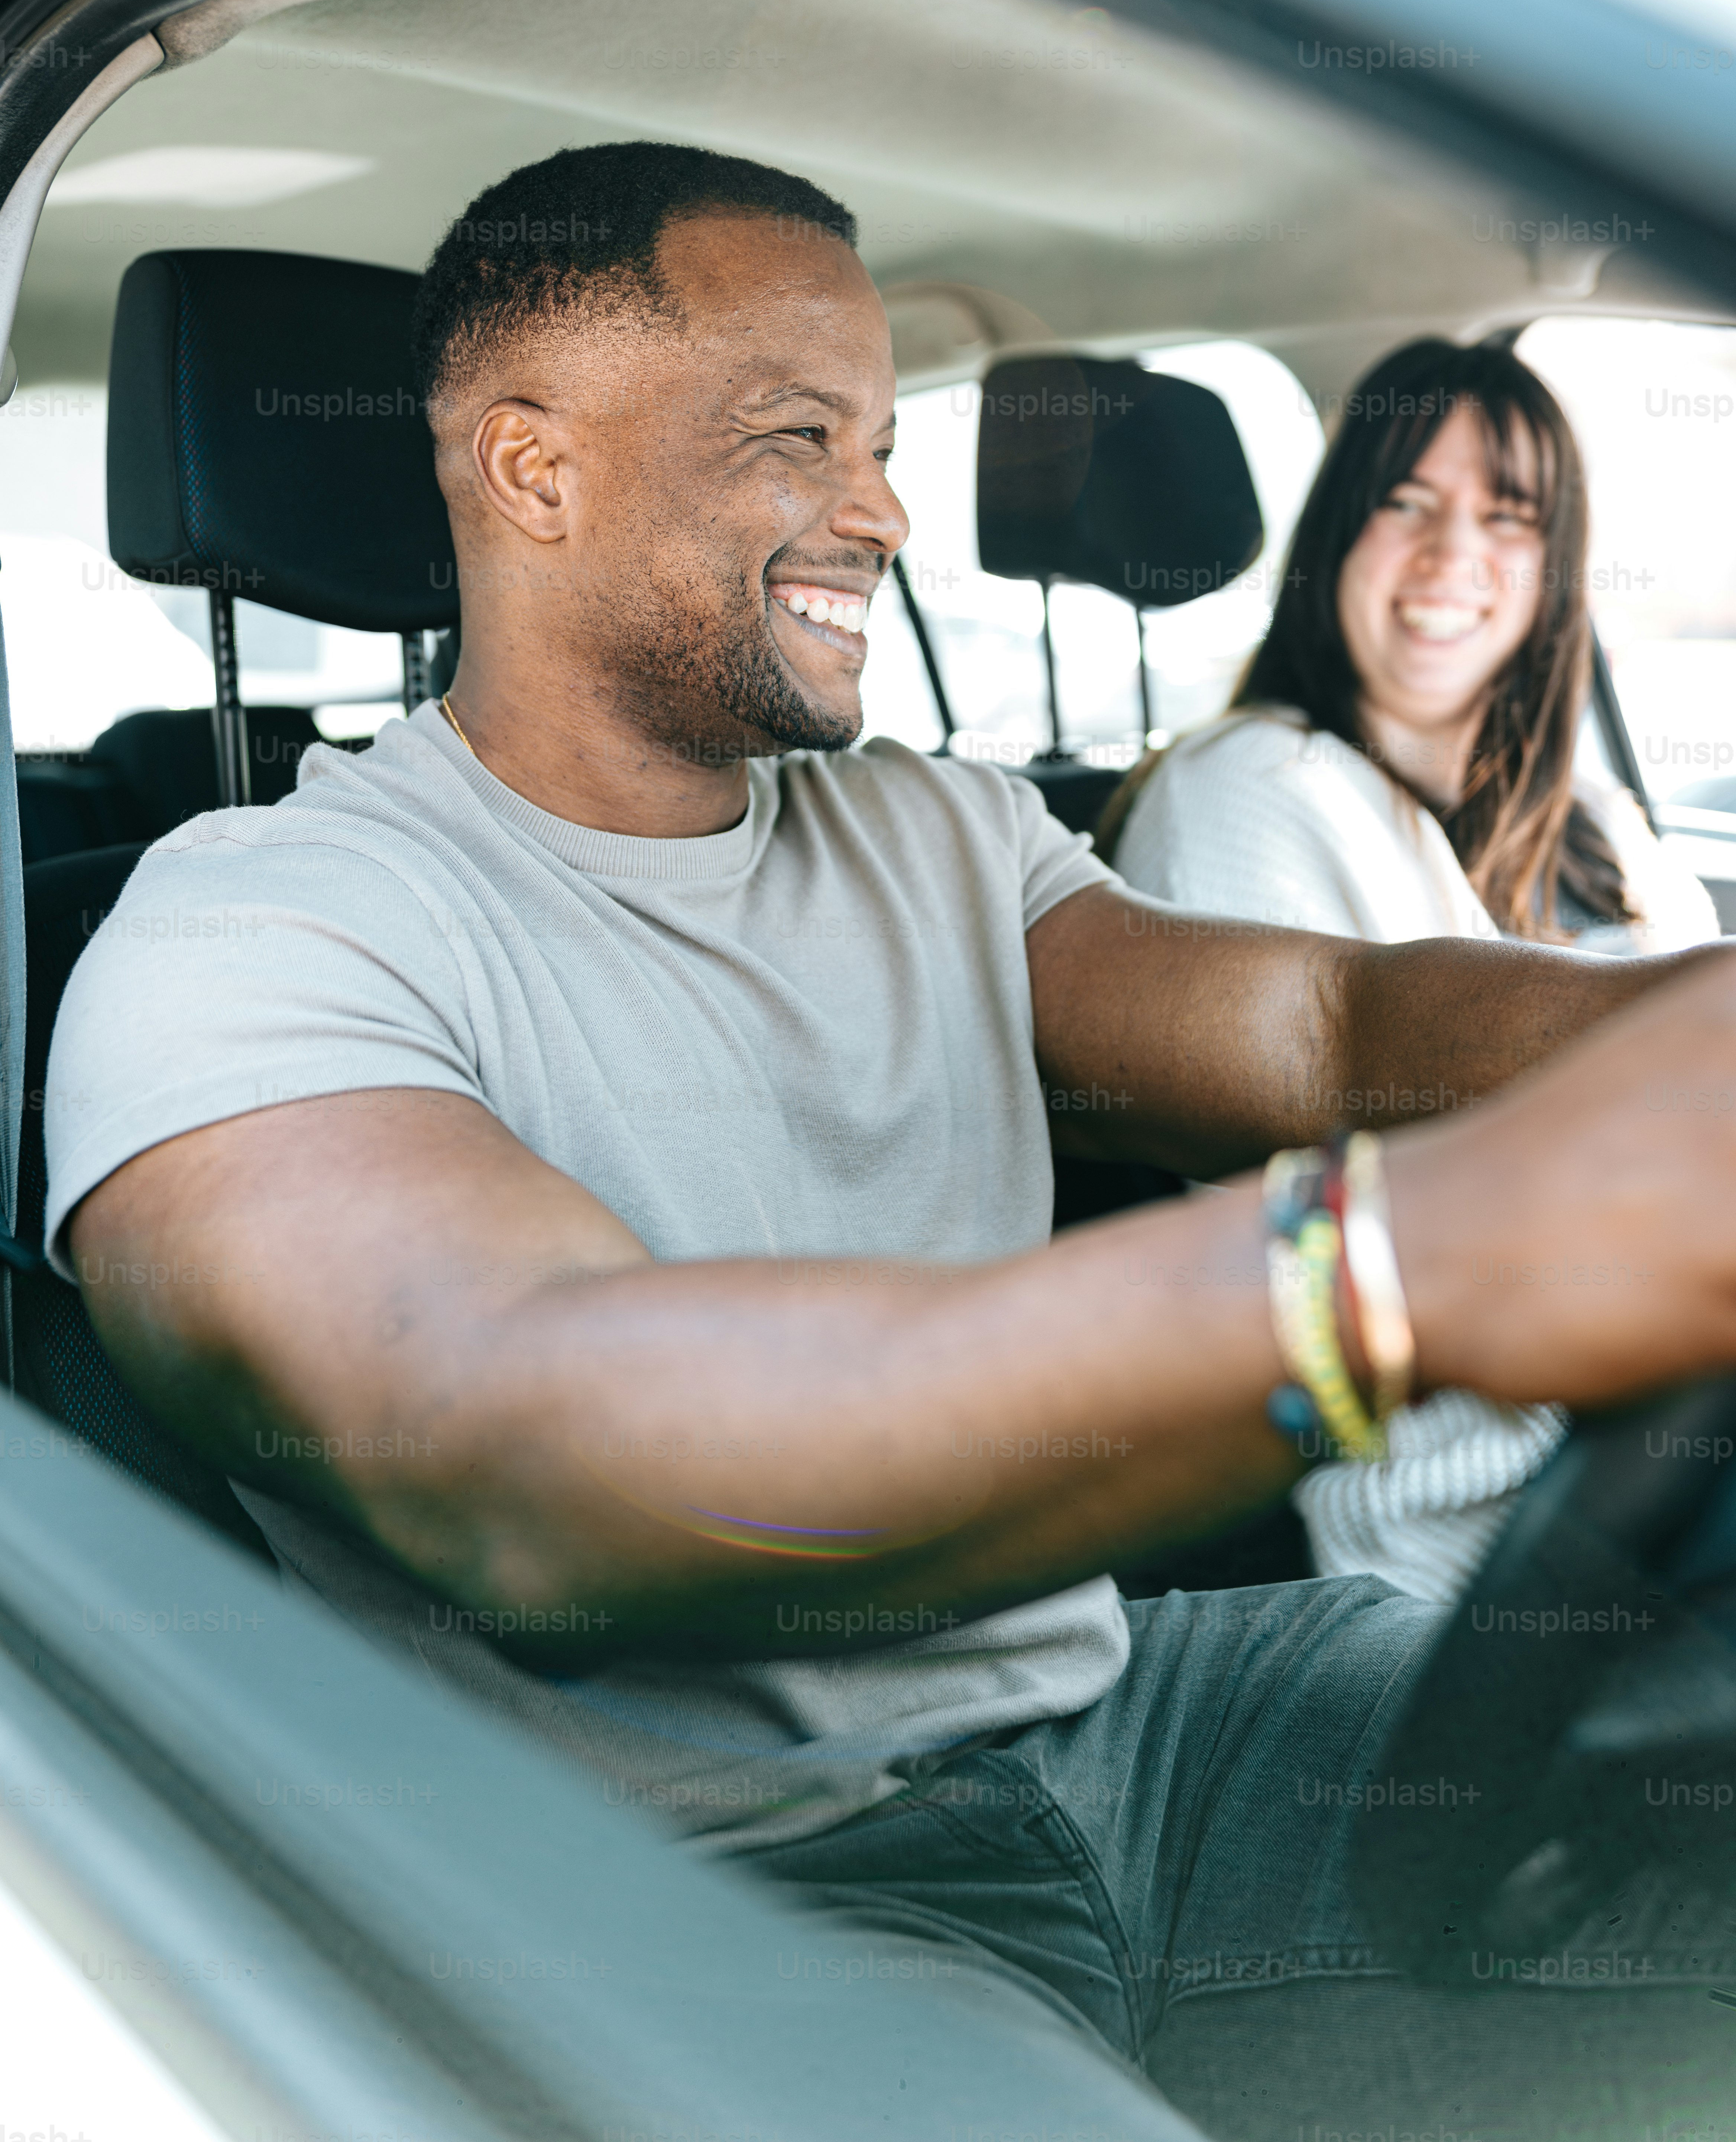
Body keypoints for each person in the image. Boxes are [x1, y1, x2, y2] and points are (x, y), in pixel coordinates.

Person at [44, 144, 1736, 2140]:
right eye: (797, 438)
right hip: (721, 1888)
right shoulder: (258, 929)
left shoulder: (926, 828)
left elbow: (1331, 1019)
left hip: (1136, 1722)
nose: (885, 511)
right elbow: (521, 1441)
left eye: (886, 439)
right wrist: (1395, 1270)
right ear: (533, 471)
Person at [1100, 340, 1720, 1605]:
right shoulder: (1248, 786)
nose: (1454, 559)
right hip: (1476, 1489)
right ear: (1340, 535)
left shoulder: (1591, 815)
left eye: (1510, 516)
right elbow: (1297, 1219)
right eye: (1407, 505)